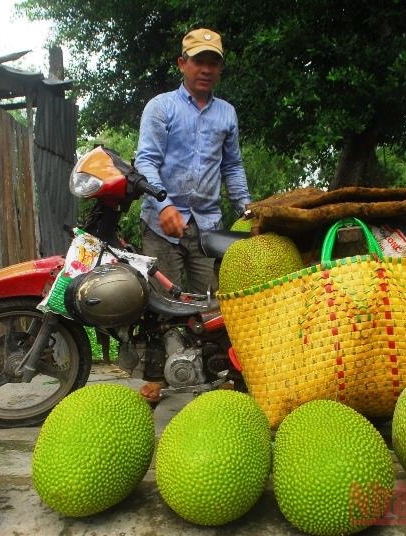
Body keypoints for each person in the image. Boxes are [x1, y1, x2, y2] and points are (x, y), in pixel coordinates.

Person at [134, 28, 251, 402]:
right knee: (158, 306)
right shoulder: (162, 107)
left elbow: (232, 167)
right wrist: (163, 203)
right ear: (182, 63)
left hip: (207, 227)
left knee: (212, 306)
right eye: (199, 60)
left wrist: (248, 211)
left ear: (219, 69)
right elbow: (145, 162)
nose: (206, 69)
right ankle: (156, 378)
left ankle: (214, 373)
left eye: (213, 62)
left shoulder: (226, 114)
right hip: (161, 224)